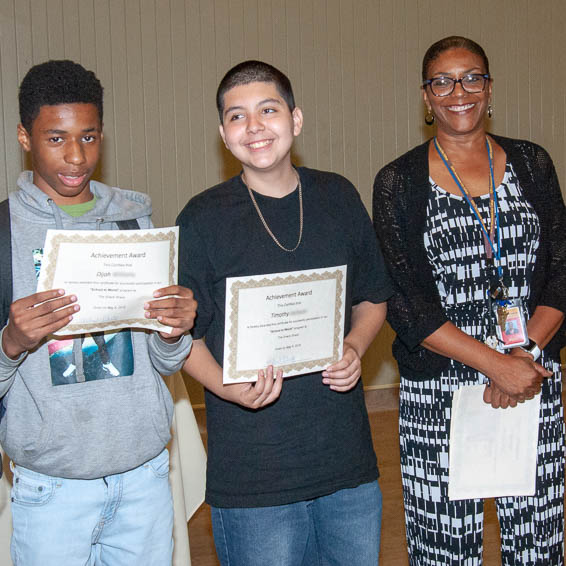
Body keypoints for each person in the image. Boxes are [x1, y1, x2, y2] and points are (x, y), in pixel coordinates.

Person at [177, 60, 392, 565]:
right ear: (223, 135)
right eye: (237, 116)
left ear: (295, 120)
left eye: (268, 110)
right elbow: (183, 337)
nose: (254, 127)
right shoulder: (202, 218)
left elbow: (373, 296)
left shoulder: (338, 196)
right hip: (255, 475)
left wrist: (355, 346)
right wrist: (226, 387)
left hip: (347, 467)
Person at [372, 36, 566, 565]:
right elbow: (405, 302)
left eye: (472, 77)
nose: (459, 91)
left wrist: (519, 358)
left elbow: (560, 273)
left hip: (531, 381)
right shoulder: (398, 182)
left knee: (536, 542)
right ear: (426, 97)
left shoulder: (532, 162)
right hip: (439, 392)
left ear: (488, 87)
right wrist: (493, 366)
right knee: (444, 549)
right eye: (443, 81)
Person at [0, 60, 197, 565]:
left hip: (144, 478)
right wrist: (11, 343)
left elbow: (165, 364)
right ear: (24, 137)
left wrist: (174, 332)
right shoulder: (4, 236)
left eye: (88, 138)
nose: (75, 156)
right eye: (56, 138)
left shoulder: (134, 222)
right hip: (51, 489)